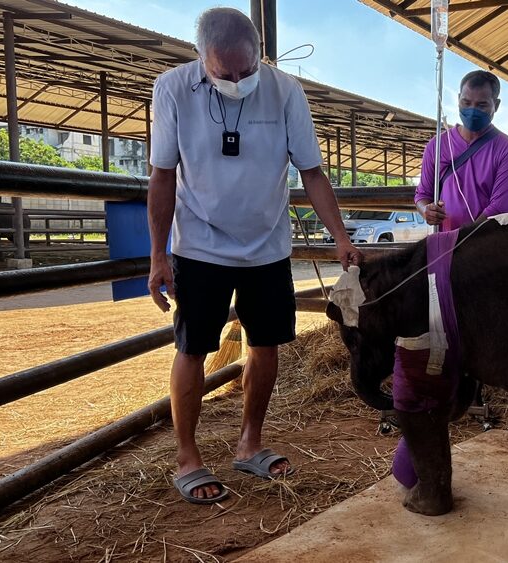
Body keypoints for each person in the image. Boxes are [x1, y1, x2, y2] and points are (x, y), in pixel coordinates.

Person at [146, 7, 361, 504]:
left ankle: (250, 443)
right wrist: (159, 254)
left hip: (267, 243)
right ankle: (187, 457)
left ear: (259, 55)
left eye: (249, 70)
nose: (240, 81)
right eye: (227, 73)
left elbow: (311, 171)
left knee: (266, 346)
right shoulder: (173, 89)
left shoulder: (286, 90)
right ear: (203, 59)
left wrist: (341, 238)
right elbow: (161, 175)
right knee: (193, 348)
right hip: (199, 244)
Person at [415, 70, 508, 230]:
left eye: (481, 105)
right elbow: (422, 194)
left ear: (497, 105)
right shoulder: (437, 145)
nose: (472, 110)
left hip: (488, 242)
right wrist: (426, 210)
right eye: (466, 103)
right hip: (443, 242)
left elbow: (499, 207)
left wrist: (463, 239)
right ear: (458, 99)